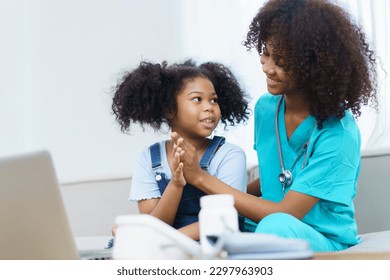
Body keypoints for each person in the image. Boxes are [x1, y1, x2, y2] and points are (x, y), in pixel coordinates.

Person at [171, 0, 378, 252]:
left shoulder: (339, 132)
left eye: (280, 61)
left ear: (312, 66)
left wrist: (201, 178)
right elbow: (277, 175)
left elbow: (287, 212)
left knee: (275, 226)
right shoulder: (266, 109)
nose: (267, 67)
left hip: (319, 237)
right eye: (266, 53)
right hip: (266, 226)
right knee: (212, 223)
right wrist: (222, 192)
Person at [111, 59, 250, 240]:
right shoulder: (148, 159)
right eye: (197, 99)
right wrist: (176, 184)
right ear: (169, 109)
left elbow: (225, 221)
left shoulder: (229, 156)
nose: (209, 107)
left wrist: (162, 240)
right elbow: (152, 222)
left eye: (214, 100)